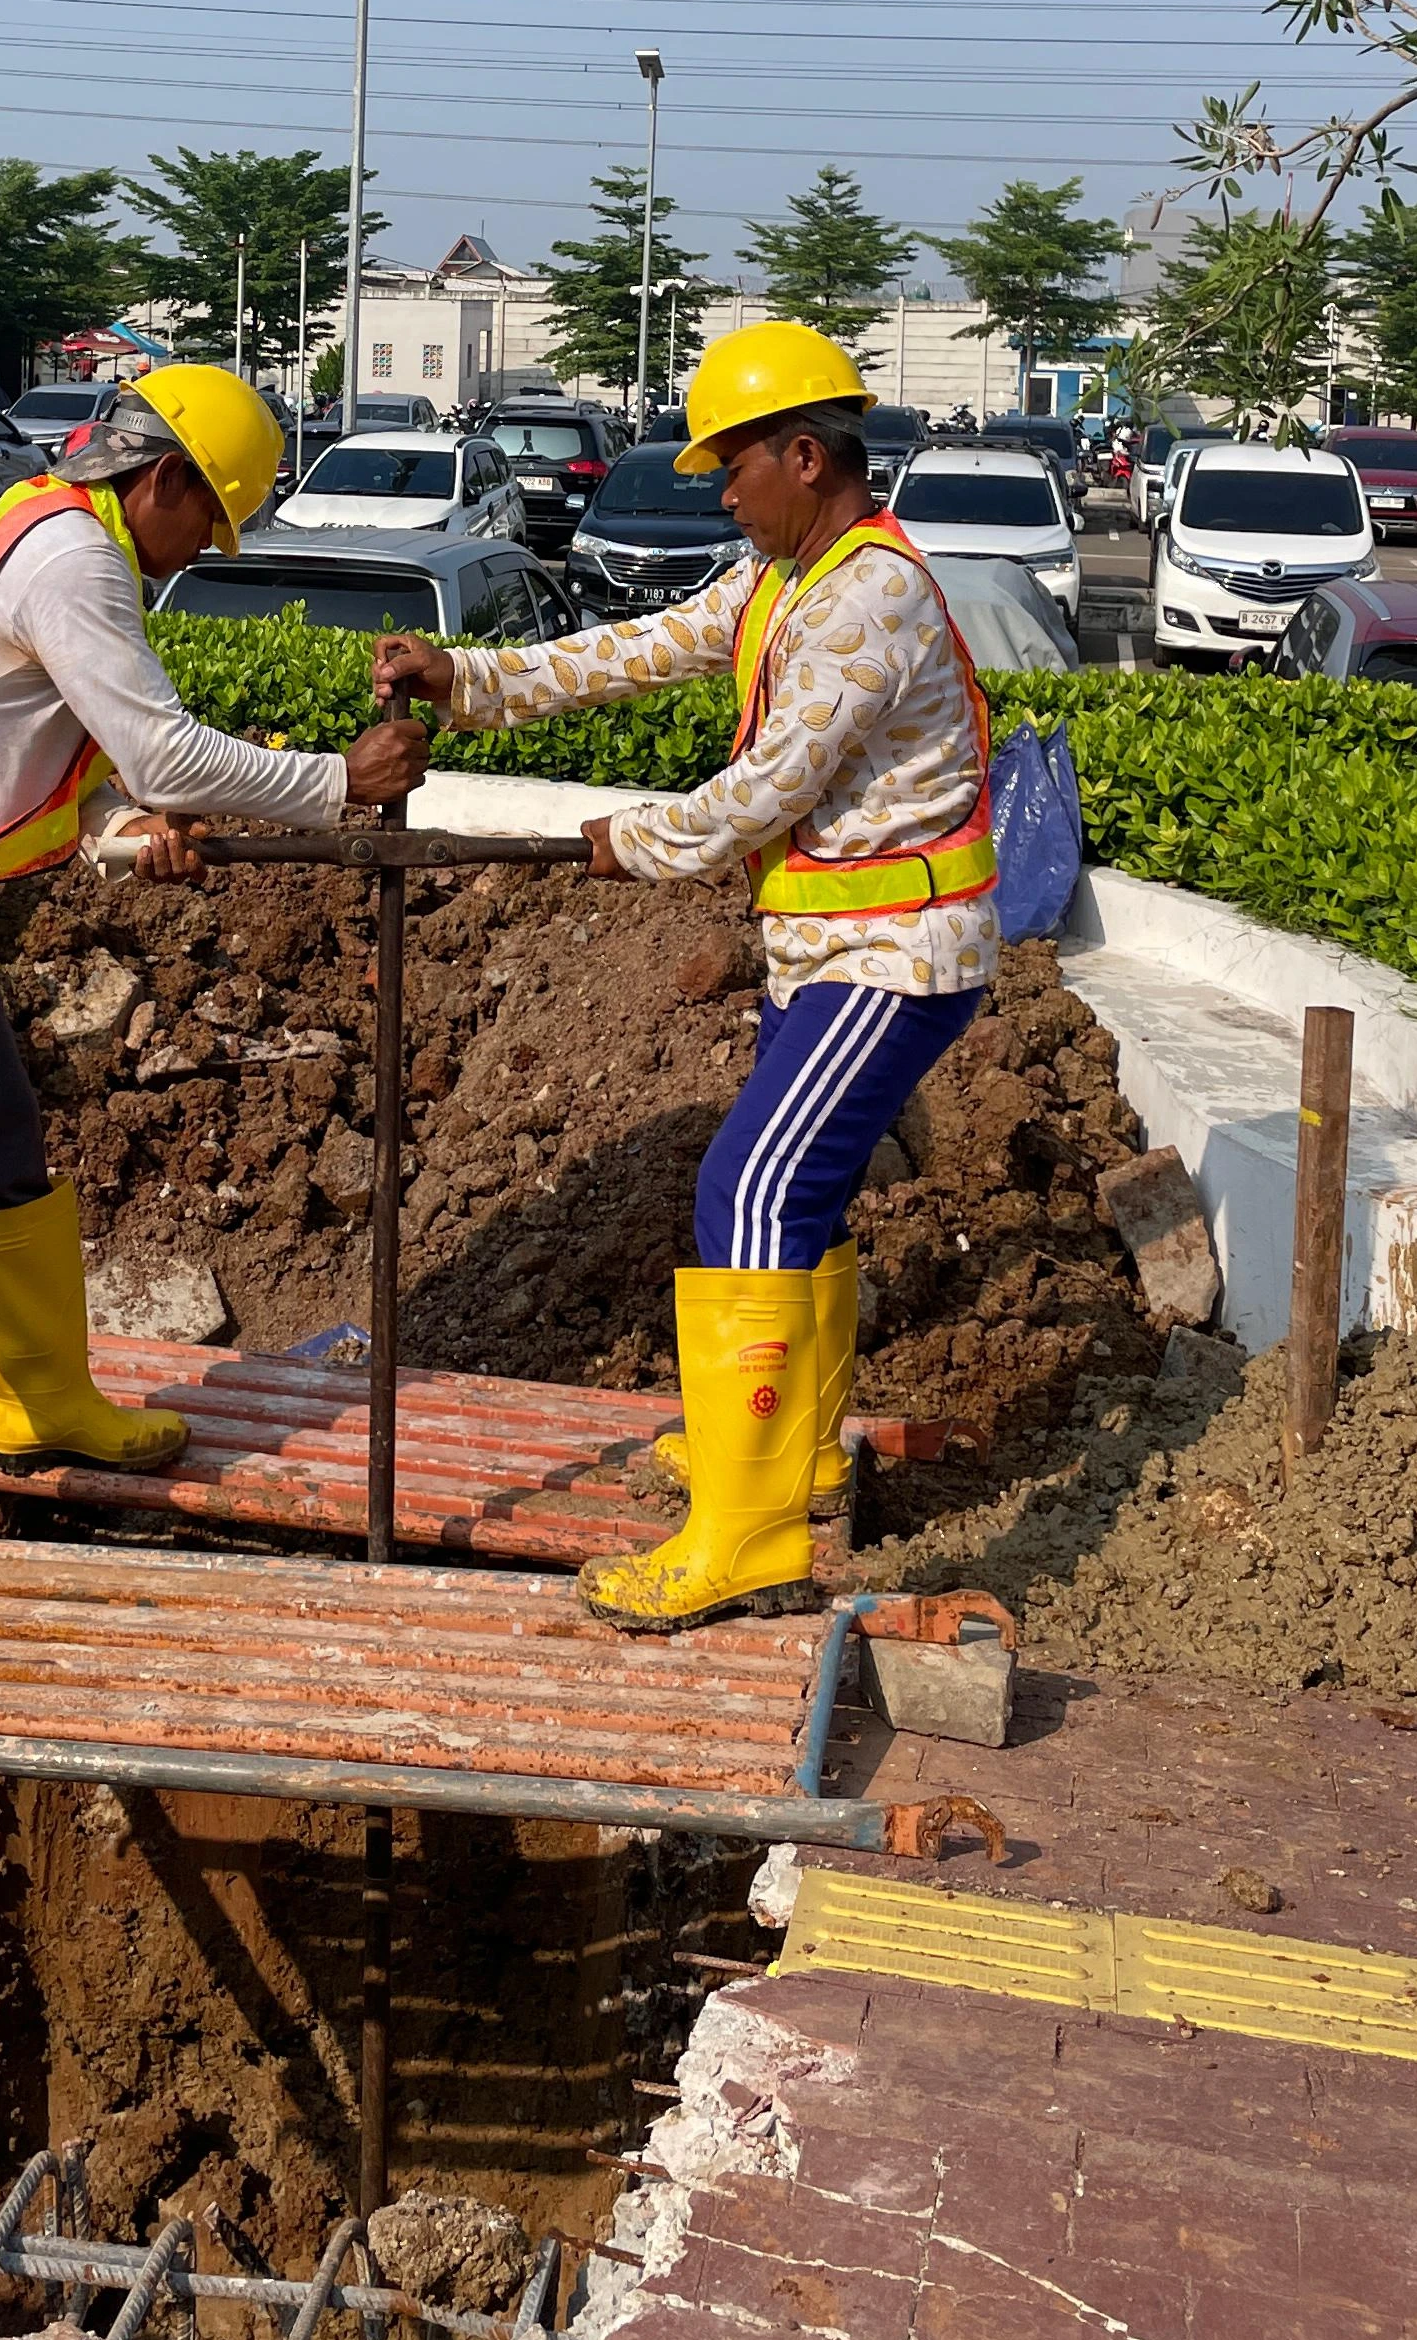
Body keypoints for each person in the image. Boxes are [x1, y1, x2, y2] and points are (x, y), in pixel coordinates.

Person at [0, 362, 428, 1644]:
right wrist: (340, 779)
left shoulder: (55, 533)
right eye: (208, 525)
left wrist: (119, 831)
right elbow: (161, 750)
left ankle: (40, 1403)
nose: (200, 554)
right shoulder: (75, 559)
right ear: (163, 482)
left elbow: (34, 752)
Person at [373, 321, 996, 1638]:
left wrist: (637, 841)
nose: (720, 493)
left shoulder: (867, 600)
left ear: (804, 457)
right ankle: (795, 1457)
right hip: (835, 950)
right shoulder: (788, 577)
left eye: (732, 468)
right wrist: (468, 680)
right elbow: (645, 646)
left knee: (750, 1190)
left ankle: (750, 1538)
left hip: (896, 954)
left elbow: (771, 787)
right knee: (802, 1198)